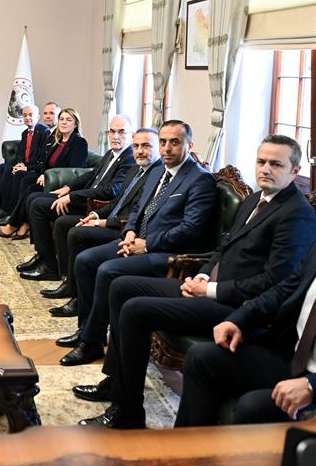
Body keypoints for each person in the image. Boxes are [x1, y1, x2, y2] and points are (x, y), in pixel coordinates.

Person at [76, 135, 316, 429]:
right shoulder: (256, 198)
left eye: (276, 164)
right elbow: (224, 247)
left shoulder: (297, 215)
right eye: (261, 161)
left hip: (234, 304)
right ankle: (116, 383)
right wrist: (202, 274)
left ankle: (127, 411)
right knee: (122, 286)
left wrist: (210, 289)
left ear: (295, 170)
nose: (265, 169)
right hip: (209, 286)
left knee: (135, 310)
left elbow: (274, 282)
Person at [57, 120, 216, 366]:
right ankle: (87, 331)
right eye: (163, 142)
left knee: (107, 270)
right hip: (136, 241)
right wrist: (130, 231)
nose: (167, 148)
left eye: (175, 142)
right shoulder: (158, 172)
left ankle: (90, 342)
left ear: (190, 145)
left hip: (167, 253)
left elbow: (190, 230)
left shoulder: (200, 179)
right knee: (85, 260)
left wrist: (147, 244)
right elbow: (138, 208)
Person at [175, 239, 316, 427]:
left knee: (252, 406)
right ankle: (189, 445)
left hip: (312, 377)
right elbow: (285, 288)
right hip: (294, 357)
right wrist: (239, 319)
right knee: (201, 357)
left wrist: (311, 385)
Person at [40, 129, 162, 314]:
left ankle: (78, 297)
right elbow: (116, 202)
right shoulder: (136, 169)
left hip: (123, 228)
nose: (139, 151)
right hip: (110, 218)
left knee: (77, 233)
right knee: (64, 223)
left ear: (158, 147)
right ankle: (68, 282)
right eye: (136, 146)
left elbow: (137, 215)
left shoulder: (156, 175)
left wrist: (101, 222)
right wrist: (96, 215)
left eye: (146, 146)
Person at [15, 115, 135, 281]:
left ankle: (49, 265)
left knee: (38, 206)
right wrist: (68, 187)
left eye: (121, 132)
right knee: (33, 197)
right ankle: (42, 255)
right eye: (112, 131)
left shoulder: (130, 158)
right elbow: (91, 175)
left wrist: (71, 197)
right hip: (84, 197)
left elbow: (111, 191)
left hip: (94, 206)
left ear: (131, 135)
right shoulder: (111, 153)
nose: (115, 136)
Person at [0, 107, 88, 237]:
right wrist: (43, 173)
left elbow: (73, 171)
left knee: (31, 189)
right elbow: (46, 162)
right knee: (26, 182)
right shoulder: (58, 140)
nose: (64, 122)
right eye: (61, 119)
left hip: (60, 183)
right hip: (48, 177)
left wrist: (48, 175)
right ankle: (23, 222)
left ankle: (14, 224)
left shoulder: (79, 142)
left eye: (68, 120)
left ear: (75, 124)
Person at [0, 105, 49, 219]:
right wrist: (20, 163)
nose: (27, 117)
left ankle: (4, 208)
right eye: (25, 115)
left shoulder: (44, 132)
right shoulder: (25, 133)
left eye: (30, 115)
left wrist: (25, 167)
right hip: (25, 164)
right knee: (3, 167)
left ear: (37, 117)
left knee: (9, 171)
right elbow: (21, 153)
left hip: (34, 166)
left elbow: (41, 156)